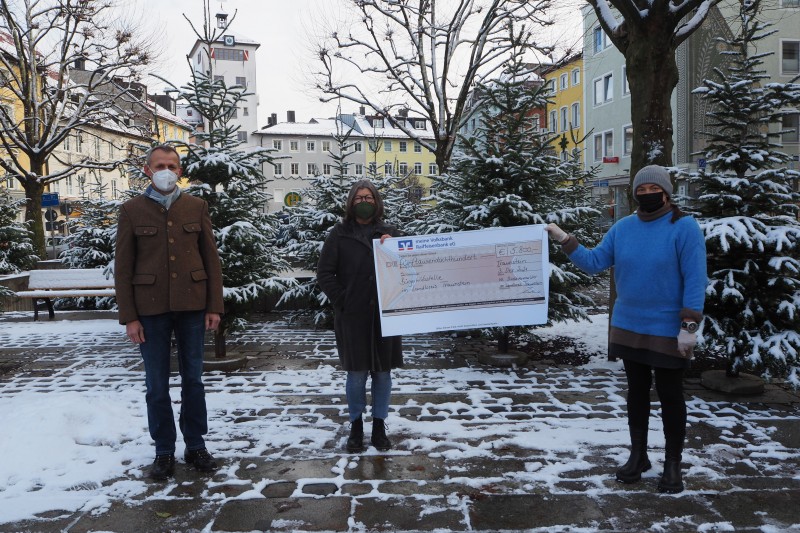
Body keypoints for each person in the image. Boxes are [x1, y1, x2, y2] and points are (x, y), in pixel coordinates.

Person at [545, 165, 707, 494]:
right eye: (641, 189)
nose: (647, 194)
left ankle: (673, 463)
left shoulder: (684, 228)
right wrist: (564, 239)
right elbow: (593, 263)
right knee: (636, 393)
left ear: (666, 192)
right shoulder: (623, 229)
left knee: (671, 395)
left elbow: (694, 280)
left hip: (667, 328)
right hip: (629, 324)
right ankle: (639, 455)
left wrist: (688, 328)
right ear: (634, 194)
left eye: (653, 189)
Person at [115, 145, 224, 480]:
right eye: (159, 165)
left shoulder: (196, 206)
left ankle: (195, 444)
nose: (166, 170)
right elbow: (124, 268)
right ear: (147, 170)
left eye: (172, 165)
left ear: (180, 171)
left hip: (193, 306)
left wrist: (214, 306)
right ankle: (163, 449)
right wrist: (130, 317)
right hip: (150, 311)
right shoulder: (132, 210)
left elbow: (210, 259)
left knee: (193, 379)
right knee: (156, 384)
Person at [317, 180, 403, 453]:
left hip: (384, 314)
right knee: (356, 374)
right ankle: (356, 426)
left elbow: (409, 267)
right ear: (350, 202)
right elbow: (324, 273)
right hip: (352, 316)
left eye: (368, 197)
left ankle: (379, 426)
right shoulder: (339, 233)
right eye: (358, 198)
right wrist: (344, 300)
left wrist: (396, 248)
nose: (363, 201)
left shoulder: (389, 233)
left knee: (382, 373)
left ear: (376, 201)